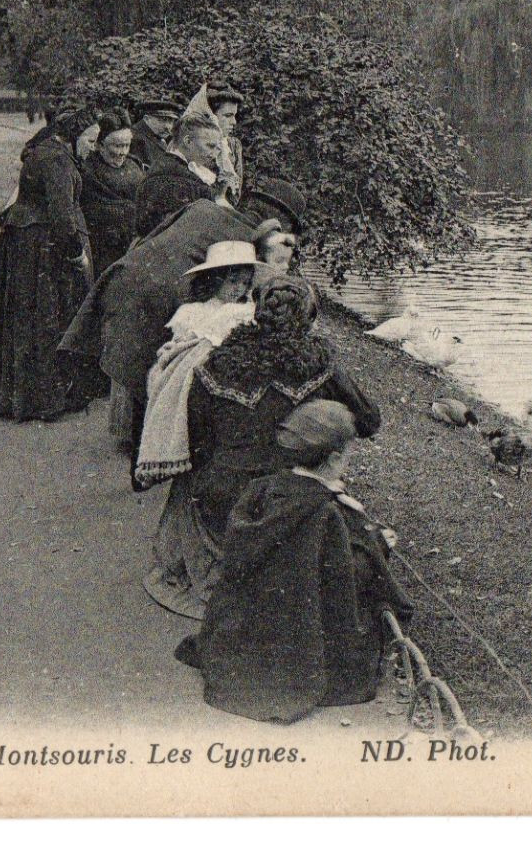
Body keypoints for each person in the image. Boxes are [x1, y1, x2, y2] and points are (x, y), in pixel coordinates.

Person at [145, 275, 380, 619]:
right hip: (288, 501)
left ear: (257, 313)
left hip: (221, 501)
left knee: (201, 474)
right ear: (308, 318)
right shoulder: (319, 364)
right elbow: (369, 420)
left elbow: (196, 439)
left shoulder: (217, 361)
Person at [175, 398, 411, 723]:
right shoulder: (329, 511)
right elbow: (350, 573)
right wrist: (380, 545)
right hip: (304, 629)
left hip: (247, 627)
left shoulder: (263, 489)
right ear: (334, 458)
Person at [59, 177, 308, 461]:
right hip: (162, 297)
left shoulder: (202, 206)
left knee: (142, 363)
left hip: (125, 275)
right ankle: (152, 450)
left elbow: (152, 236)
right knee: (160, 367)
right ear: (277, 222)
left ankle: (139, 442)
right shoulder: (250, 243)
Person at [0, 111, 96, 422]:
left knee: (24, 319)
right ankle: (42, 400)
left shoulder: (44, 152)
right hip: (40, 247)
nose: (93, 147)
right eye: (91, 140)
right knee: (44, 317)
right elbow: (63, 217)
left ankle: (16, 398)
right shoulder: (58, 161)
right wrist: (77, 255)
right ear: (73, 136)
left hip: (24, 244)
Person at [134, 240, 259, 489]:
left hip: (226, 367)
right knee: (165, 375)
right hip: (196, 365)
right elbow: (179, 344)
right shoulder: (193, 311)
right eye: (232, 281)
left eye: (245, 283)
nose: (238, 289)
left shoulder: (245, 311)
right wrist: (182, 346)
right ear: (215, 280)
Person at [133, 87, 231, 239]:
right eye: (210, 146)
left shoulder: (188, 169)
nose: (215, 153)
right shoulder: (169, 177)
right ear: (188, 141)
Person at [77, 108, 145, 272]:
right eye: (117, 146)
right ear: (99, 145)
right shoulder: (87, 170)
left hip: (133, 244)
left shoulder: (135, 165)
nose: (123, 152)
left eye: (127, 145)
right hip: (101, 247)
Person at [207, 84, 245, 199]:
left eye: (234, 116)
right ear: (211, 116)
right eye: (228, 115)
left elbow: (236, 193)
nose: (233, 122)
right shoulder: (196, 144)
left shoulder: (233, 145)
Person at [129, 98, 181, 170]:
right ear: (147, 119)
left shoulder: (156, 136)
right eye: (163, 120)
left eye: (171, 121)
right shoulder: (136, 139)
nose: (168, 127)